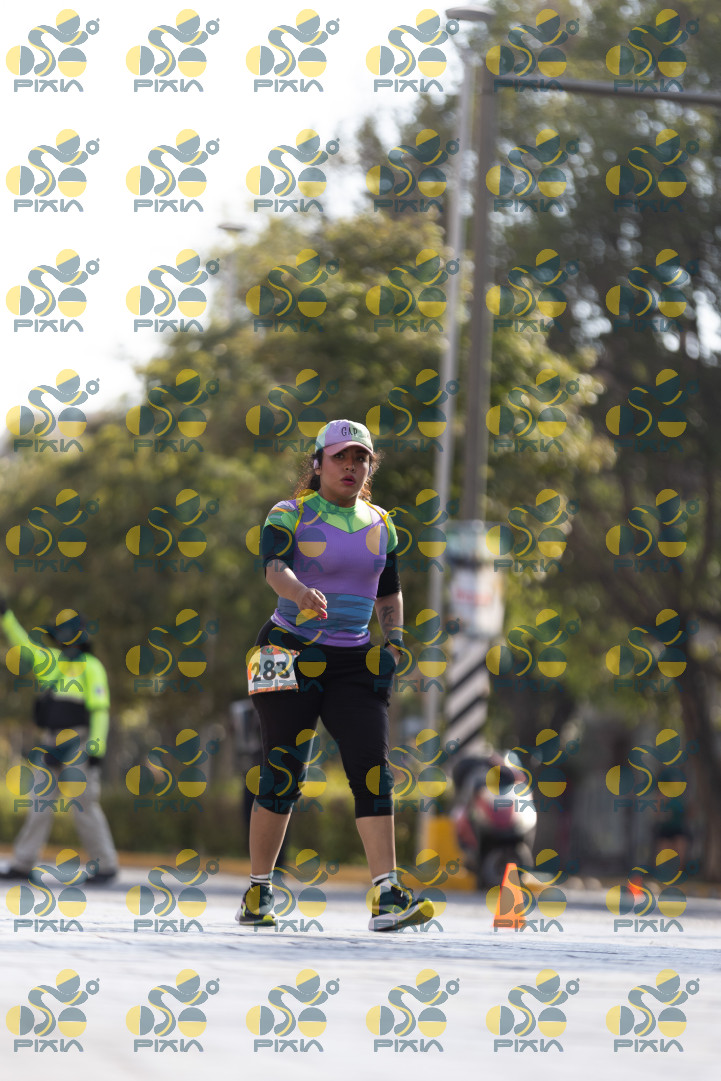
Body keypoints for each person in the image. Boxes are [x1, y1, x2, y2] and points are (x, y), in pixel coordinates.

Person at [237, 418, 434, 931]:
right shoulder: (289, 513)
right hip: (288, 649)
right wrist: (299, 592)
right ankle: (259, 891)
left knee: (373, 771)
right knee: (284, 770)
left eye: (360, 458)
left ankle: (386, 895)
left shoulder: (382, 524)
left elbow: (389, 590)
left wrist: (394, 641)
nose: (350, 466)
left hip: (355, 660)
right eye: (340, 457)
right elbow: (274, 567)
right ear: (318, 463)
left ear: (370, 466)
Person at [0, 599, 119, 883]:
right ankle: (23, 863)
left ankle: (106, 865)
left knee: (85, 804)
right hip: (50, 741)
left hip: (80, 742)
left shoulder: (92, 667)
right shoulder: (53, 662)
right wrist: (6, 617)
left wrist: (97, 748)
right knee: (39, 803)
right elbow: (24, 646)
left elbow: (100, 710)